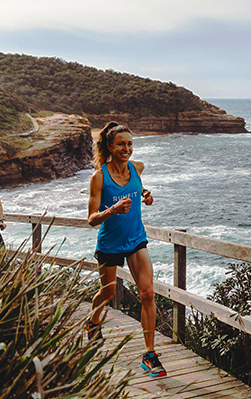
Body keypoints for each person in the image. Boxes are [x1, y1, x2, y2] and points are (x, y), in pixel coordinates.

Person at [87, 122, 165, 378]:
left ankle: (149, 354)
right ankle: (93, 322)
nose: (127, 148)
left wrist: (146, 194)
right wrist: (112, 210)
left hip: (135, 240)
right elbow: (91, 219)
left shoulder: (137, 168)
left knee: (148, 294)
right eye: (121, 144)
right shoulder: (99, 177)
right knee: (107, 293)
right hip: (109, 243)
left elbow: (137, 188)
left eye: (130, 144)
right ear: (110, 146)